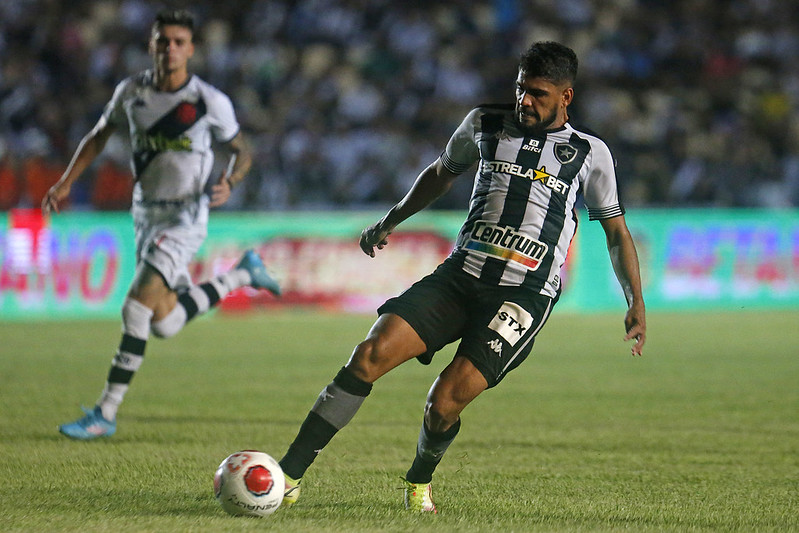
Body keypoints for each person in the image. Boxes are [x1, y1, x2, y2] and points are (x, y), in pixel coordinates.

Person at [276, 41, 646, 512]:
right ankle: (286, 474)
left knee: (444, 402)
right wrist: (390, 221)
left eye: (537, 94)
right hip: (459, 276)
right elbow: (441, 172)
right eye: (520, 89)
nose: (524, 101)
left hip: (523, 296)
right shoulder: (484, 124)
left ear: (566, 97)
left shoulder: (589, 152)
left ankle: (418, 481)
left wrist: (635, 301)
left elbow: (615, 229)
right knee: (369, 354)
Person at [42, 9, 280, 440]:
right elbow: (98, 135)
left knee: (135, 306)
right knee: (163, 322)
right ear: (151, 46)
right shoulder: (130, 92)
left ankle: (105, 413)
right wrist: (65, 183)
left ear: (190, 49)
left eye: (178, 42)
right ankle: (244, 274)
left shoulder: (208, 101)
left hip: (186, 217)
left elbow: (242, 150)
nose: (170, 48)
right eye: (163, 40)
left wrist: (231, 180)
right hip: (145, 213)